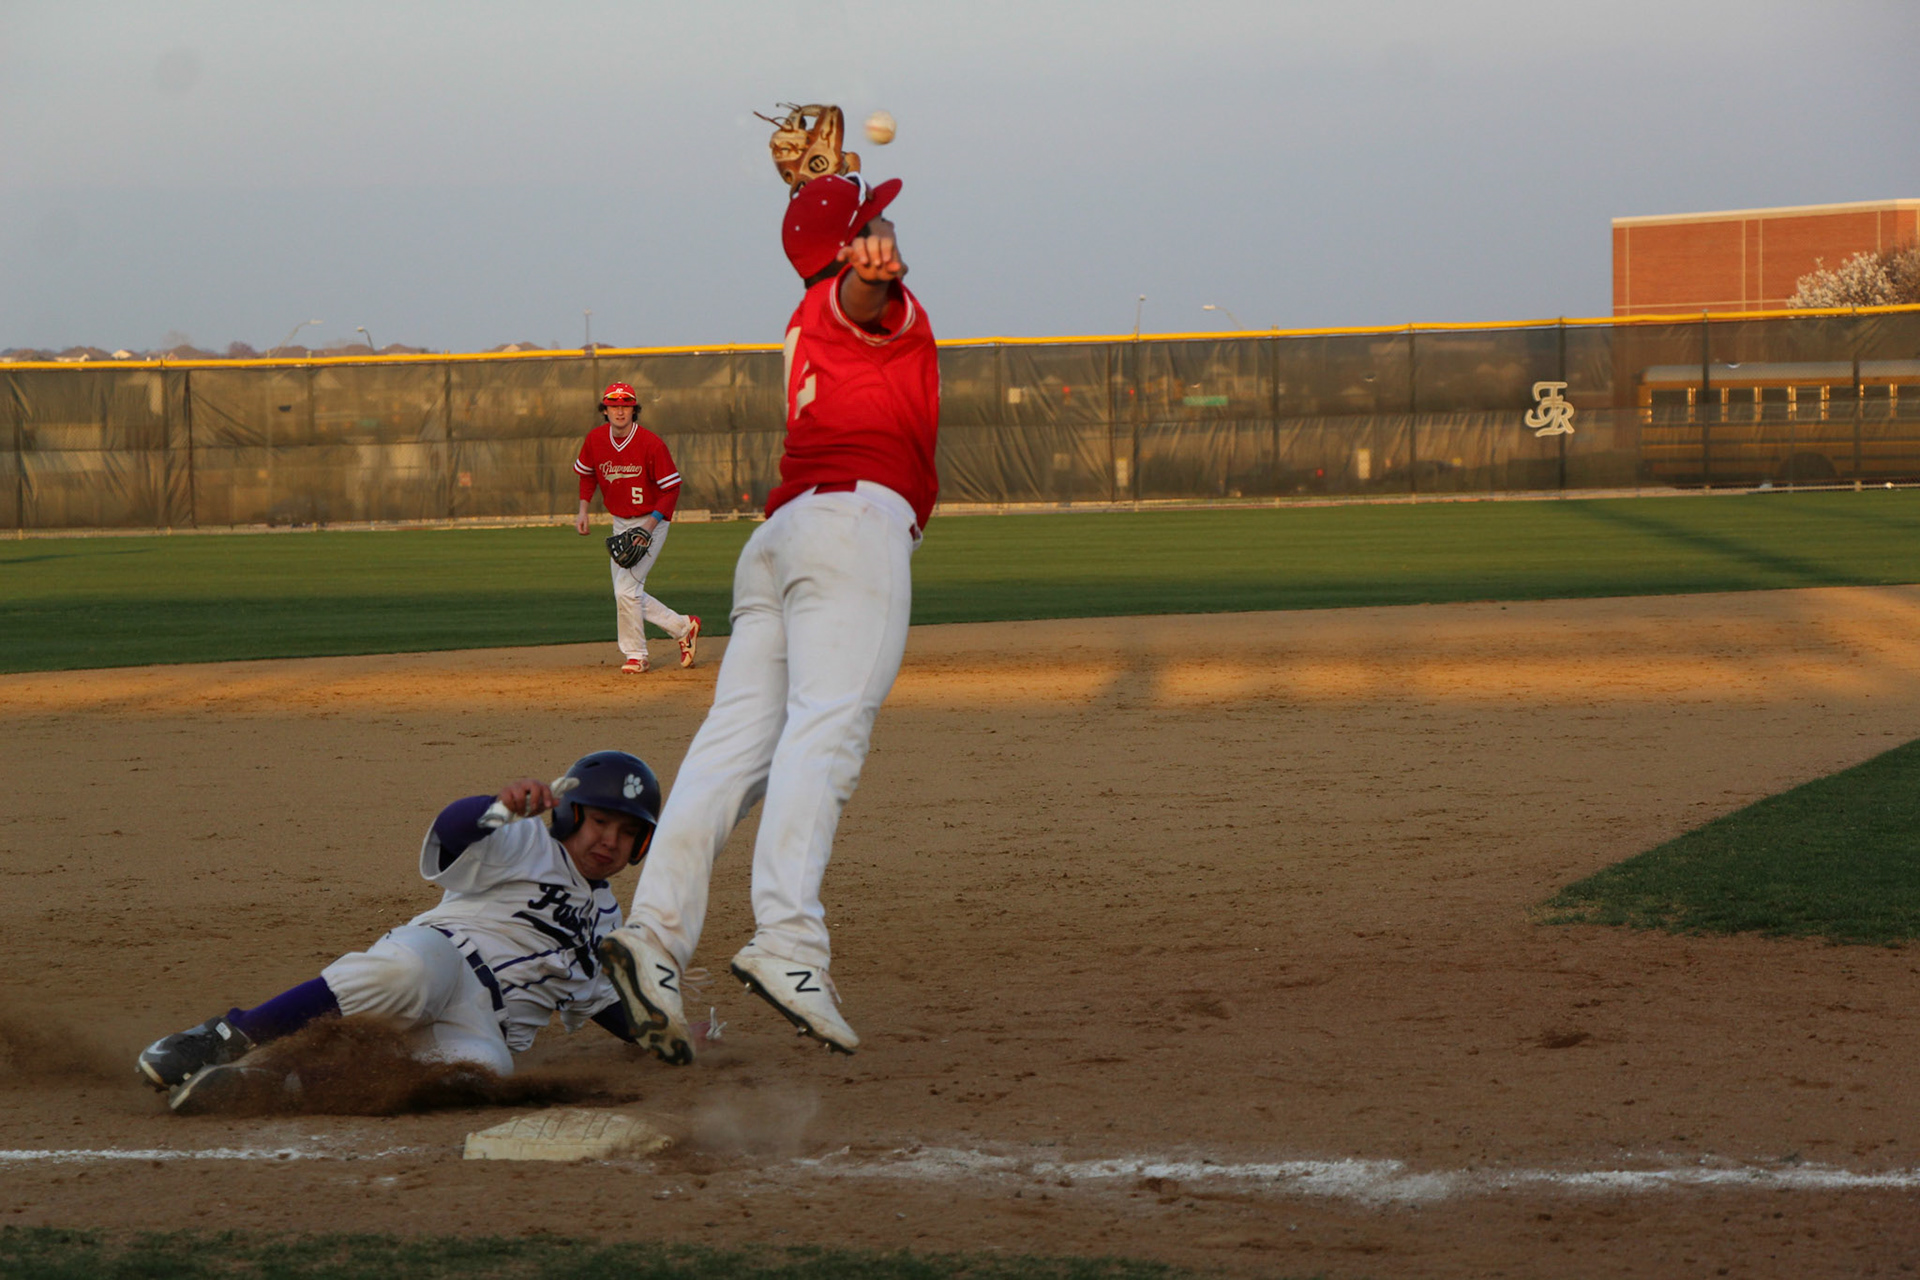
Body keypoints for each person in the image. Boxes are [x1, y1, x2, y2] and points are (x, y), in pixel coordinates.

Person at [597, 167, 937, 1065]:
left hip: (782, 540)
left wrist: (845, 230)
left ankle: (653, 938)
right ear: (846, 250)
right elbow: (869, 293)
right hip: (853, 532)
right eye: (871, 221)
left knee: (728, 753)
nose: (888, 227)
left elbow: (852, 284)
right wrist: (868, 268)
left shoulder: (809, 311)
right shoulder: (857, 298)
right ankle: (788, 943)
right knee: (826, 734)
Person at [136, 751, 661, 1113]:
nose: (610, 841)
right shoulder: (525, 843)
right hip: (443, 959)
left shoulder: (608, 921)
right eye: (600, 822)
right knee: (410, 976)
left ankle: (270, 1086)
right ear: (568, 814)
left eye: (627, 833)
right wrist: (497, 809)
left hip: (480, 1027)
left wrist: (667, 1032)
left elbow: (604, 1002)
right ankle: (226, 1037)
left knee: (482, 1072)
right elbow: (454, 833)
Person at [574, 383, 701, 674]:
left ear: (634, 409)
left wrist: (649, 525)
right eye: (613, 405)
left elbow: (672, 489)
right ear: (604, 410)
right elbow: (587, 474)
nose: (619, 410)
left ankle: (637, 655)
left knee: (626, 591)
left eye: (626, 404)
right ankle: (683, 627)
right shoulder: (595, 440)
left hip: (652, 521)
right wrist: (583, 509)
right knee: (626, 592)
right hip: (620, 522)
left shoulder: (651, 443)